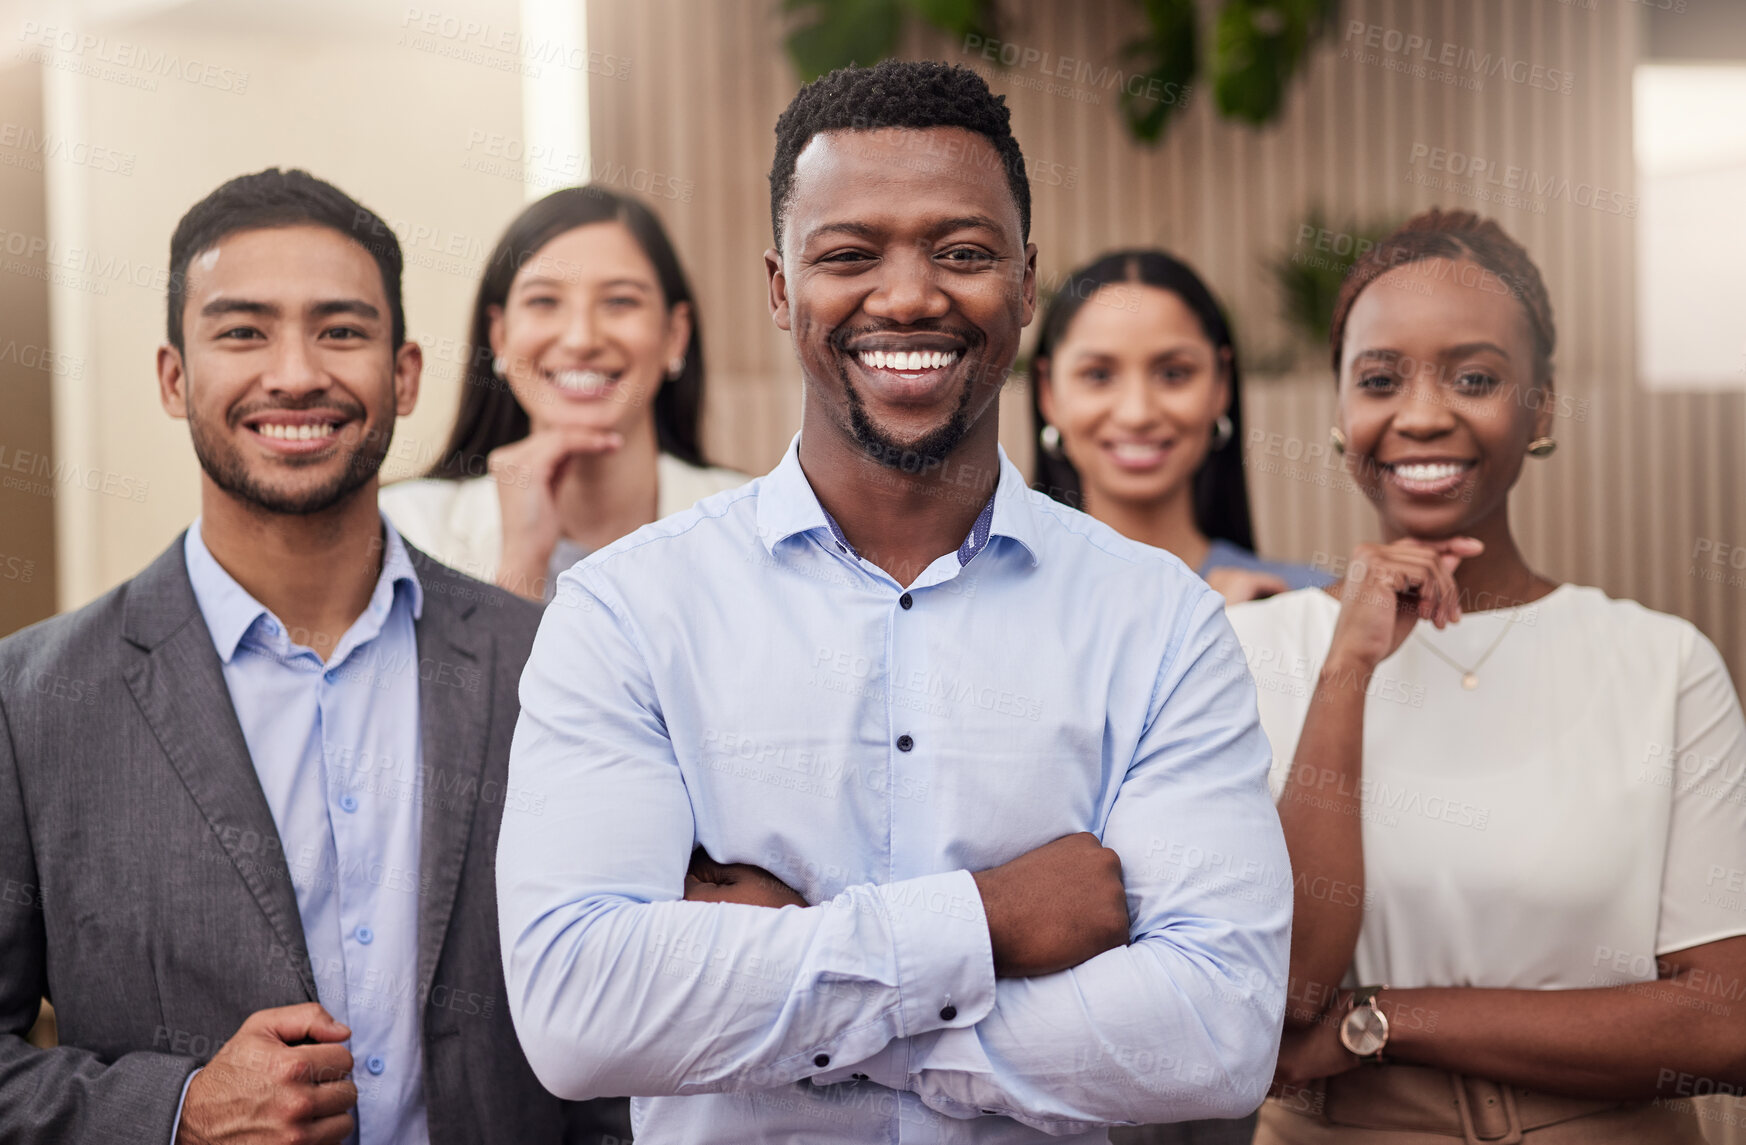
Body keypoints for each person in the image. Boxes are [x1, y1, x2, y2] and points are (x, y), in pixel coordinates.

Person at [495, 59, 1291, 1144]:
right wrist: (992, 921)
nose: (909, 295)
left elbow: (1218, 1027)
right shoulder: (626, 612)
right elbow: (580, 1012)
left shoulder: (1160, 623)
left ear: (1025, 282)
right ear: (780, 290)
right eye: (849, 255)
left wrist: (808, 993)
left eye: (961, 253)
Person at [0, 169, 626, 1144]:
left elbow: (625, 1021)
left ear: (406, 373)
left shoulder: (540, 660)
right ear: (174, 376)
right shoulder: (33, 701)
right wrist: (175, 1111)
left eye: (340, 330)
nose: (294, 372)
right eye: (242, 331)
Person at [1227, 208, 1746, 1142]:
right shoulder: (1247, 648)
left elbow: (1721, 1022)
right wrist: (1346, 668)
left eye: (1475, 377)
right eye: (1380, 379)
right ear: (1340, 412)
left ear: (1540, 407)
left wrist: (1377, 1020)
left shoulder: (1663, 663)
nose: (1423, 413)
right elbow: (1290, 984)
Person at [381, 185, 747, 602]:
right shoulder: (404, 530)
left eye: (620, 301)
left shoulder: (753, 524)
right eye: (544, 301)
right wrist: (523, 563)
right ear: (499, 336)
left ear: (674, 335)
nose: (580, 339)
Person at [1031, 249, 1330, 607]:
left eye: (1173, 374)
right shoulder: (996, 609)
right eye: (1098, 375)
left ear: (1222, 384)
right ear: (1048, 391)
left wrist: (1262, 628)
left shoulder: (1307, 606)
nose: (1137, 413)